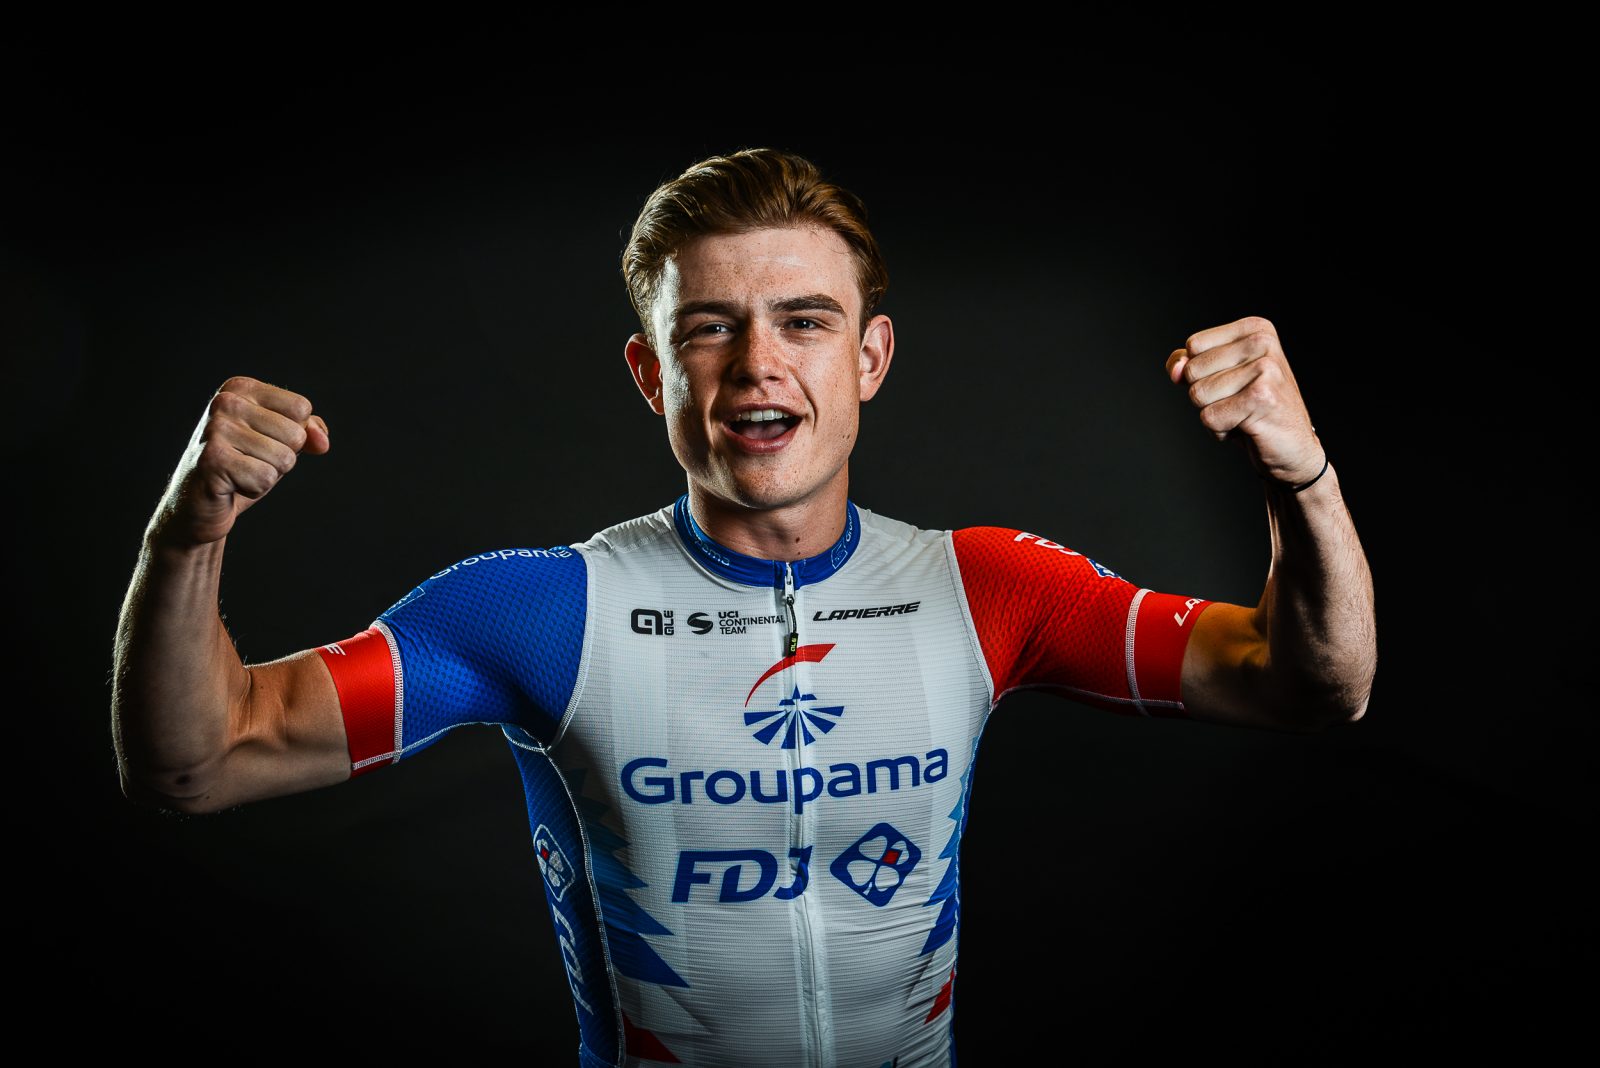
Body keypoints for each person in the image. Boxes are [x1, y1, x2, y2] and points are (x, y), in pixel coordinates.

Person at [111, 148, 1377, 1068]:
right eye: (710, 329)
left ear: (867, 359)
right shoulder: (537, 611)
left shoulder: (987, 588)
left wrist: (1300, 475)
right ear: (651, 373)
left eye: (803, 322)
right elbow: (196, 762)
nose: (758, 366)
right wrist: (188, 534)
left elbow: (1313, 682)